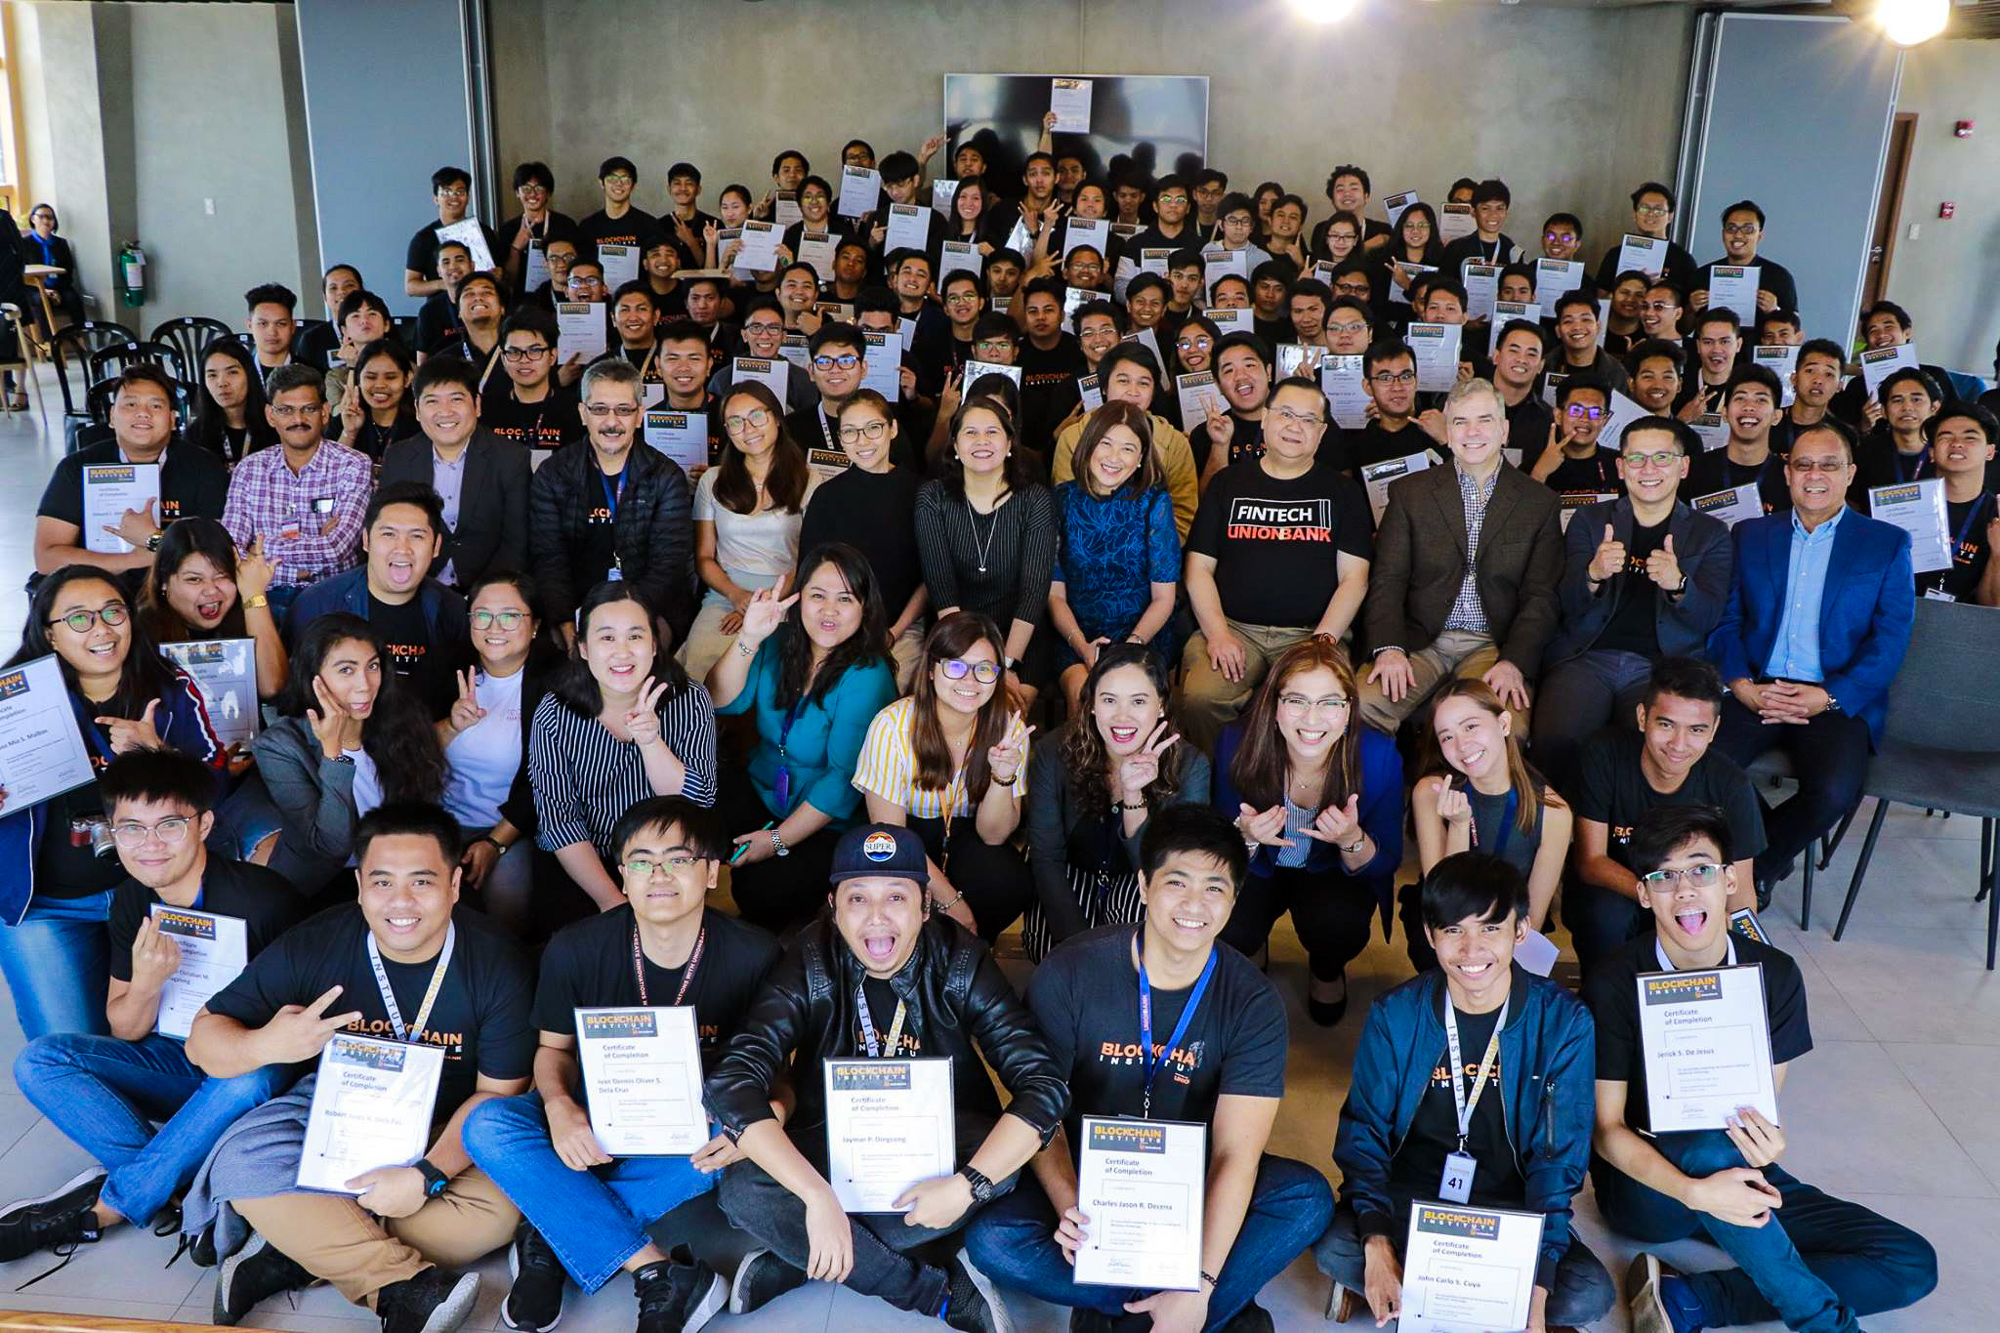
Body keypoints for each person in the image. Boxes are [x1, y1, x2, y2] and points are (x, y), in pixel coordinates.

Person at [964, 804, 1332, 1330]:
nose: (1194, 904)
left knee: (1304, 1199)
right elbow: (1038, 1115)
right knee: (993, 1239)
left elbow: (1235, 1154)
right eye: (1177, 882)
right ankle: (1189, 1310)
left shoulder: (1253, 1001)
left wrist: (1201, 1277)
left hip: (1193, 1182)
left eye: (1214, 888)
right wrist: (1071, 1208)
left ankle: (1139, 1306)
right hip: (1089, 1180)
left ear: (1234, 899)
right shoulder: (1069, 971)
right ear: (1142, 884)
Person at [180, 803, 534, 1333]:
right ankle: (402, 1288)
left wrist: (427, 1175)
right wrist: (267, 1043)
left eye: (422, 881)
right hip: (336, 1118)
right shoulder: (320, 942)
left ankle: (291, 1248)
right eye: (382, 882)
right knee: (240, 1158)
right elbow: (201, 1039)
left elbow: (498, 1096)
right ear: (360, 886)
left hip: (448, 1123)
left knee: (499, 1212)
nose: (401, 902)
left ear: (456, 884)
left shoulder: (496, 961)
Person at [1587, 805, 1937, 1333]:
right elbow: (1606, 1131)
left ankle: (1693, 1300)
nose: (1684, 890)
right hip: (1649, 1191)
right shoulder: (1615, 979)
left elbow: (1759, 1107)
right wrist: (1692, 1191)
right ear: (1644, 894)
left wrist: (1768, 1143)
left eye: (1701, 870)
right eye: (1663, 877)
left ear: (1729, 880)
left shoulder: (1773, 973)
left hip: (1738, 1165)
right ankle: (1824, 1323)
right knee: (1704, 1148)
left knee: (1909, 1263)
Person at [703, 821, 1066, 1331]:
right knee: (740, 1188)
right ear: (833, 906)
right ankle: (932, 1292)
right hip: (834, 1140)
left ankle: (801, 1256)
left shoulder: (962, 960)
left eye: (896, 897)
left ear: (924, 905)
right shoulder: (809, 958)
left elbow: (1043, 1085)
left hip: (943, 1139)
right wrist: (815, 1196)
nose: (876, 919)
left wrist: (966, 1187)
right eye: (857, 899)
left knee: (1003, 1164)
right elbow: (737, 1073)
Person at [461, 797, 782, 1333]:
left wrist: (758, 1120)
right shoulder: (575, 948)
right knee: (488, 1125)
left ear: (709, 872)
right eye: (641, 861)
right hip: (589, 1120)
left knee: (734, 1140)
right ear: (622, 875)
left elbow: (781, 1082)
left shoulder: (756, 955)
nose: (658, 875)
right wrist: (561, 1108)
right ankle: (656, 1270)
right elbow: (552, 1051)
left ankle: (548, 1240)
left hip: (687, 1127)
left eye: (678, 860)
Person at [2, 749, 300, 1265]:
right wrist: (147, 983)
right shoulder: (133, 899)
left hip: (248, 1071)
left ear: (204, 824)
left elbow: (296, 1037)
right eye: (132, 829)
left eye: (169, 825)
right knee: (40, 1060)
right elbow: (125, 1026)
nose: (150, 846)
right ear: (112, 832)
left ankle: (113, 1205)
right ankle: (177, 1185)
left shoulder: (264, 900)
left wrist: (237, 1042)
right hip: (175, 1065)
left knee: (251, 1076)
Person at [1315, 852, 1613, 1333]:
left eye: (1491, 929)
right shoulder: (1396, 1014)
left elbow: (1558, 1160)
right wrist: (1375, 1239)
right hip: (1411, 1196)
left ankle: (1406, 1289)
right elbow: (1363, 1132)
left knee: (1587, 1294)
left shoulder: (1563, 1022)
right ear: (1431, 936)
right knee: (1335, 1245)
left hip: (1507, 1207)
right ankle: (1398, 1275)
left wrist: (1536, 1287)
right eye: (1454, 930)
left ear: (1522, 930)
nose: (1472, 950)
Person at [0, 567, 223, 1039]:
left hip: (153, 895)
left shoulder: (168, 685)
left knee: (174, 1037)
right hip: (46, 904)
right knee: (67, 1047)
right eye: (79, 619)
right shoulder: (11, 699)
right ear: (50, 635)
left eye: (112, 612)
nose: (101, 629)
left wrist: (160, 756)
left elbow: (216, 782)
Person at [1710, 424, 1915, 890]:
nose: (1814, 475)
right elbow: (1726, 622)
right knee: (1698, 766)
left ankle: (1754, 872)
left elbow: (1890, 640)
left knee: (1836, 792)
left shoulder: (1886, 543)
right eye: (1803, 464)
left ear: (1850, 473)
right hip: (1758, 688)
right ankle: (1757, 859)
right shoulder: (1751, 533)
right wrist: (1741, 685)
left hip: (1833, 698)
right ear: (1787, 473)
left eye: (1829, 464)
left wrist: (1828, 697)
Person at [709, 543, 898, 933]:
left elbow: (841, 782)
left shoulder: (868, 674)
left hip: (823, 821)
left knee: (761, 894)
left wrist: (775, 841)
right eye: (817, 596)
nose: (829, 611)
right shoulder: (779, 644)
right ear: (799, 600)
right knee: (694, 805)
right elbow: (719, 699)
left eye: (845, 599)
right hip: (765, 790)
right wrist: (749, 637)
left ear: (864, 607)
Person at [1180, 375, 1374, 752]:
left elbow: (1355, 579)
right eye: (1286, 414)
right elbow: (1198, 569)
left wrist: (1322, 642)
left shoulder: (1343, 493)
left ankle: (1299, 794)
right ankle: (1218, 792)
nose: (1294, 426)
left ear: (1321, 434)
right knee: (1201, 698)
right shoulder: (1226, 484)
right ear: (1265, 419)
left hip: (1313, 633)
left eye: (1308, 420)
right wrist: (1218, 634)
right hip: (1235, 629)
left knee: (1322, 707)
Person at [1533, 418, 1733, 782]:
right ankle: (1564, 832)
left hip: (1662, 666)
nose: (1649, 469)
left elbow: (1708, 617)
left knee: (1642, 750)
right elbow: (1566, 603)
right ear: (1621, 467)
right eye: (1637, 458)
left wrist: (1679, 584)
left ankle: (1619, 836)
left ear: (1683, 466)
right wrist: (1592, 574)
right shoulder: (1590, 520)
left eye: (1662, 457)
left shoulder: (1711, 534)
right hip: (1587, 656)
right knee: (1554, 739)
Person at [1213, 637, 1401, 1025]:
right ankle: (1254, 946)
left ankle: (1326, 969)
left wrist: (1351, 839)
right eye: (1296, 701)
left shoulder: (1379, 756)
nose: (1312, 719)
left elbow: (1385, 862)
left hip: (1330, 872)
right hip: (1258, 866)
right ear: (1275, 708)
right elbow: (1214, 850)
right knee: (1230, 924)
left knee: (1338, 924)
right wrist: (1246, 835)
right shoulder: (1235, 743)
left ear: (1349, 710)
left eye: (1330, 703)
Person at [1360, 378, 1563, 733]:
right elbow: (1387, 580)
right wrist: (1389, 648)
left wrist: (1514, 661)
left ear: (1504, 430)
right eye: (1460, 422)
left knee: (1506, 728)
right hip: (1419, 640)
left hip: (1492, 644)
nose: (1472, 432)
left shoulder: (1539, 503)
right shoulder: (1410, 493)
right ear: (1448, 434)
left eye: (1484, 420)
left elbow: (1541, 597)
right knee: (1361, 703)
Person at [528, 582, 717, 930]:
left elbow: (697, 802)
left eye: (635, 636)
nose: (622, 652)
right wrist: (612, 901)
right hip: (585, 858)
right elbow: (559, 821)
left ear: (654, 643)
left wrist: (650, 741)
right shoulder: (555, 711)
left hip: (667, 860)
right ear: (583, 648)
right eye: (607, 638)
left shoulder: (689, 699)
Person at [1567, 656, 1765, 976]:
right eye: (1666, 724)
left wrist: (1738, 952)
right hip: (1622, 890)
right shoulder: (1604, 754)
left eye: (1696, 729)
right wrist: (1664, 898)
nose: (1679, 744)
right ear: (1643, 717)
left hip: (1693, 900)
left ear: (1714, 730)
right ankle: (1603, 1005)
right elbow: (1591, 861)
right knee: (1603, 915)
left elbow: (1740, 892)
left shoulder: (1731, 784)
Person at [851, 613, 1033, 942]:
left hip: (965, 834)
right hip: (902, 837)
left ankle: (972, 952)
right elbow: (891, 837)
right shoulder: (892, 726)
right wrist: (952, 902)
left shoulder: (1010, 728)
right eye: (956, 666)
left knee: (1006, 879)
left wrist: (1002, 778)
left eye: (984, 670)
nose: (970, 681)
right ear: (932, 670)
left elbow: (993, 836)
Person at [236, 613, 446, 896]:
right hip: (323, 882)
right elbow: (332, 843)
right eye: (346, 670)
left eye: (372, 667)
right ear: (314, 677)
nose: (365, 684)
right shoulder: (279, 746)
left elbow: (423, 806)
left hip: (397, 870)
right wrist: (334, 753)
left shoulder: (400, 718)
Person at [1022, 643, 1210, 959]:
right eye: (1109, 700)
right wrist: (1080, 949)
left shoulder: (1190, 766)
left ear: (1161, 705)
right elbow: (1046, 857)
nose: (1122, 716)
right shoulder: (1053, 752)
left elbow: (1167, 873)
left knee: (1137, 957)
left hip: (1142, 879)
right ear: (1092, 703)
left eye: (1138, 701)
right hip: (1072, 872)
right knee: (1052, 952)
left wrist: (1134, 795)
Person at [527, 359, 695, 640]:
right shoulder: (552, 473)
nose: (612, 422)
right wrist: (566, 622)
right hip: (574, 607)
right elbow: (549, 559)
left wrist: (623, 623)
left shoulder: (666, 476)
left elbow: (668, 566)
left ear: (639, 416)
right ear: (583, 413)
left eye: (624, 410)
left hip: (648, 609)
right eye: (599, 409)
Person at [914, 395, 1057, 704]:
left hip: (1019, 637)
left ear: (1009, 444)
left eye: (992, 432)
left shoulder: (1035, 500)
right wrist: (969, 665)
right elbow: (942, 589)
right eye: (970, 432)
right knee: (957, 703)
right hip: (955, 635)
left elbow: (1034, 592)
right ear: (955, 445)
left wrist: (1004, 666)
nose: (982, 440)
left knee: (1006, 710)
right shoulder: (932, 498)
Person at [287, 482, 468, 717]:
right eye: (388, 534)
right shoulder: (317, 605)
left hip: (422, 743)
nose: (402, 549)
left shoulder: (452, 610)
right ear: (366, 540)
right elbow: (295, 700)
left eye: (416, 536)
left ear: (436, 546)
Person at [1046, 401, 1181, 712]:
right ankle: (1084, 762)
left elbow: (1164, 598)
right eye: (1105, 443)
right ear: (1088, 445)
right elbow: (1055, 596)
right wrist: (1082, 646)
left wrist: (1132, 645)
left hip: (1142, 634)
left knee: (1128, 698)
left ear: (1140, 459)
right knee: (1084, 695)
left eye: (1127, 448)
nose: (1113, 457)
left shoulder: (1154, 502)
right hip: (1076, 634)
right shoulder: (1061, 500)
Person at [35, 366, 230, 577]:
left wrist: (153, 540)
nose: (143, 413)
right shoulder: (76, 468)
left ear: (173, 419)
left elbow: (217, 551)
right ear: (111, 416)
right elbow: (46, 557)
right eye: (130, 404)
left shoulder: (205, 466)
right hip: (98, 585)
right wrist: (132, 560)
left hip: (175, 586)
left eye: (155, 406)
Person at [437, 571, 548, 940]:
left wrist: (495, 842)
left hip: (511, 827)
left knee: (509, 909)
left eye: (510, 615)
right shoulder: (446, 669)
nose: (494, 626)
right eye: (482, 615)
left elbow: (548, 781)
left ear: (534, 626)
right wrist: (451, 725)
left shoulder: (555, 683)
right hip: (440, 822)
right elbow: (405, 755)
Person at [1413, 681, 1571, 935]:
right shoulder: (1430, 793)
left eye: (1471, 727)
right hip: (1450, 926)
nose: (1462, 745)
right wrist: (1459, 825)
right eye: (1447, 737)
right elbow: (1445, 905)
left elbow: (1533, 920)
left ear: (1504, 724)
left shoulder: (1553, 812)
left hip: (1513, 929)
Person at [681, 383, 816, 680]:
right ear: (727, 431)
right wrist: (737, 597)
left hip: (788, 596)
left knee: (779, 679)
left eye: (757, 416)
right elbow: (704, 557)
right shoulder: (713, 481)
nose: (748, 429)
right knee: (699, 671)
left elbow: (810, 556)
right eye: (735, 422)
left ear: (777, 418)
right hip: (726, 594)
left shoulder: (808, 479)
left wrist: (767, 603)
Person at [220, 366, 375, 619]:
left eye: (308, 409)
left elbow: (338, 549)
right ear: (271, 415)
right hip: (263, 596)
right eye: (286, 410)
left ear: (324, 413)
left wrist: (259, 548)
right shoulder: (250, 469)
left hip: (333, 597)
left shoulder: (353, 464)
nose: (298, 419)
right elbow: (231, 551)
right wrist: (297, 569)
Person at [796, 390, 928, 684]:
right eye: (851, 432)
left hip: (901, 628)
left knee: (884, 698)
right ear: (841, 438)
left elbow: (931, 577)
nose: (863, 440)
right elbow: (809, 574)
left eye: (873, 428)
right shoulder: (827, 496)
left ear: (892, 429)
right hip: (835, 624)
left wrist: (895, 631)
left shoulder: (922, 493)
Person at [379, 359, 532, 593]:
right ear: (418, 410)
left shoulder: (511, 458)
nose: (445, 412)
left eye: (456, 399)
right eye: (432, 401)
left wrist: (485, 595)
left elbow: (515, 543)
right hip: (417, 588)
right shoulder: (399, 457)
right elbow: (387, 532)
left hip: (487, 590)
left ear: (477, 405)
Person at [1048, 343, 1201, 535]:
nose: (1133, 391)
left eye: (1143, 383)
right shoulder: (1073, 437)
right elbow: (1065, 507)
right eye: (1123, 381)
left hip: (1151, 555)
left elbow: (1183, 516)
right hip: (1084, 551)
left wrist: (1141, 551)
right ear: (1104, 386)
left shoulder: (1175, 443)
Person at [138, 517, 288, 702]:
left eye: (222, 576)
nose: (211, 590)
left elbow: (272, 687)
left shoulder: (249, 613)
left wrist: (254, 594)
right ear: (164, 582)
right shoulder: (139, 632)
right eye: (194, 579)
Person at [1918, 401, 2000, 603]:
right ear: (1931, 453)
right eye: (1946, 437)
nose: (1957, 443)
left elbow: (1992, 607)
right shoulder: (1903, 506)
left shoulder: (1996, 514)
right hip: (1899, 619)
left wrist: (1998, 554)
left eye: (1970, 437)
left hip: (1966, 628)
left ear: (1990, 452)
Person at [1686, 366, 1791, 516]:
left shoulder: (1789, 477)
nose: (1749, 407)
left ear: (1777, 416)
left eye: (1761, 400)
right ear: (1725, 413)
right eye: (1740, 398)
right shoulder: (1695, 470)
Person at [480, 308, 583, 456]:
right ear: (503, 359)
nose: (524, 359)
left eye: (534, 351)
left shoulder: (575, 409)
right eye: (514, 352)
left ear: (552, 356)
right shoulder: (485, 409)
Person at [1692, 200, 1799, 318]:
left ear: (1759, 236)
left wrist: (1775, 310)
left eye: (1748, 229)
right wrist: (1691, 309)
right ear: (1723, 234)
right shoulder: (1702, 274)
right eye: (1731, 228)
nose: (1738, 235)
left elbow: (1794, 327)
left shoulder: (1779, 276)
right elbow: (1683, 329)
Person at [406, 165, 499, 298]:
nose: (454, 197)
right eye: (446, 192)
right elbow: (410, 286)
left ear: (467, 198)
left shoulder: (485, 232)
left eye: (460, 192)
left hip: (481, 304)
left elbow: (501, 272)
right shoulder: (423, 238)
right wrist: (443, 284)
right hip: (441, 311)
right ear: (436, 199)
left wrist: (499, 274)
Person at [1592, 182, 1698, 296]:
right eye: (1644, 208)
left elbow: (1688, 307)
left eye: (1659, 210)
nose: (1651, 214)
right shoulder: (1615, 255)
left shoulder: (1683, 260)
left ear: (1670, 216)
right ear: (1634, 214)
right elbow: (1601, 300)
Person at [190, 339, 279, 464]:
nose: (222, 383)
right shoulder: (195, 436)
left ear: (249, 375)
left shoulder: (274, 427)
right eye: (212, 375)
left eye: (232, 372)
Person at [333, 336, 418, 460]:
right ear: (359, 380)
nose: (380, 385)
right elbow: (330, 474)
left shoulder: (422, 425)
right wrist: (349, 433)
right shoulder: (341, 423)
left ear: (407, 379)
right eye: (371, 377)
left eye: (390, 377)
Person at [22, 202, 84, 328]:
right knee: (41, 300)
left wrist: (57, 290)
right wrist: (44, 290)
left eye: (50, 217)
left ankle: (81, 336)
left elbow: (68, 270)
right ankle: (49, 341)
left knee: (73, 298)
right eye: (41, 216)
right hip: (35, 289)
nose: (46, 221)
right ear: (33, 219)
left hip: (59, 287)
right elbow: (22, 275)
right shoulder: (23, 243)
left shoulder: (61, 243)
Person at [243, 284, 298, 381]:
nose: (272, 332)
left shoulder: (314, 374)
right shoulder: (239, 374)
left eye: (281, 324)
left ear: (293, 326)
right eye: (263, 324)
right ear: (250, 326)